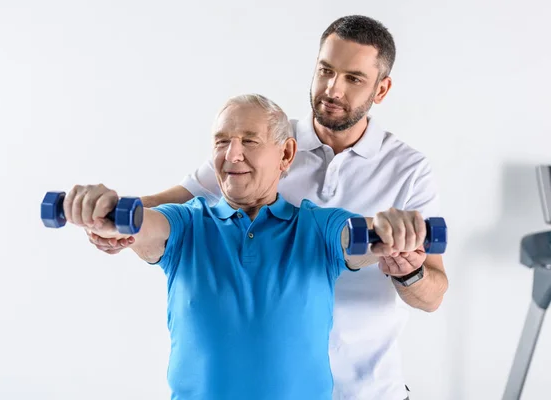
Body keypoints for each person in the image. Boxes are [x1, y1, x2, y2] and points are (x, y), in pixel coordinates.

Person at [90, 16, 448, 400]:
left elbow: (434, 292)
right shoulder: (260, 142)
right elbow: (160, 211)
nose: (332, 88)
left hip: (368, 388)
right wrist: (109, 219)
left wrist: (409, 272)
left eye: (353, 78)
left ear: (382, 89)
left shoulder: (408, 169)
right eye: (325, 70)